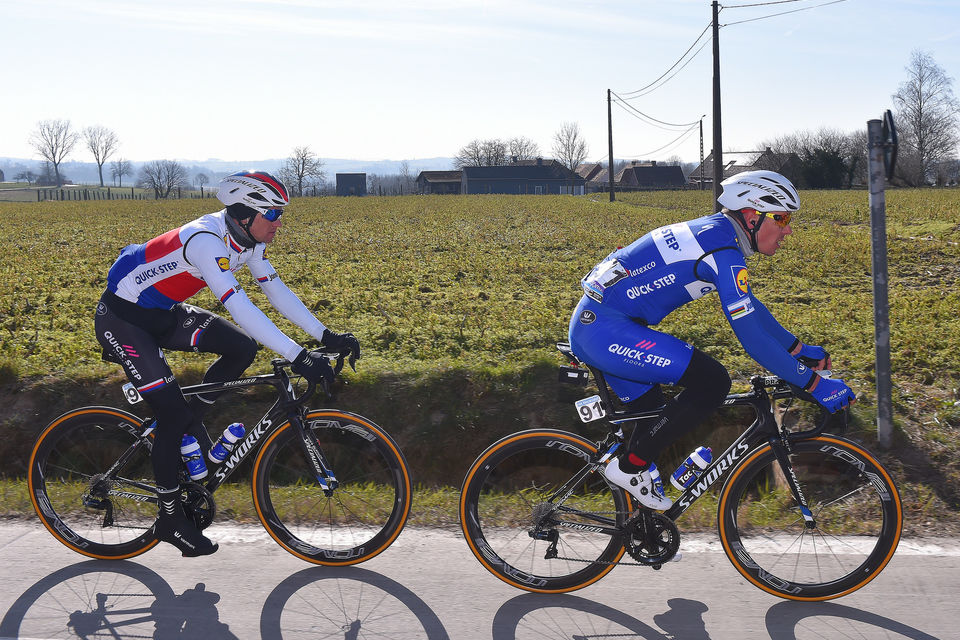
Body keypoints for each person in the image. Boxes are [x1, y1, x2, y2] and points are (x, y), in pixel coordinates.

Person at [95, 171, 360, 556]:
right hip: (124, 320)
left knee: (241, 349)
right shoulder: (206, 241)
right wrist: (298, 357)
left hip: (161, 311)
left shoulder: (247, 239)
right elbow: (240, 306)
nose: (279, 222)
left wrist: (326, 336)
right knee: (171, 416)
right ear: (244, 213)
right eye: (272, 213)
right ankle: (170, 520)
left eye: (280, 213)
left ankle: (187, 427)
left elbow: (275, 289)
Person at [568, 170, 855, 511]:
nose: (788, 229)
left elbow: (750, 307)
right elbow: (752, 340)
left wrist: (797, 349)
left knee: (653, 416)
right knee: (712, 382)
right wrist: (814, 385)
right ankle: (629, 467)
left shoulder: (717, 235)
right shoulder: (722, 250)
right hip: (603, 330)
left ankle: (641, 522)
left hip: (606, 325)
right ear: (751, 216)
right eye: (781, 217)